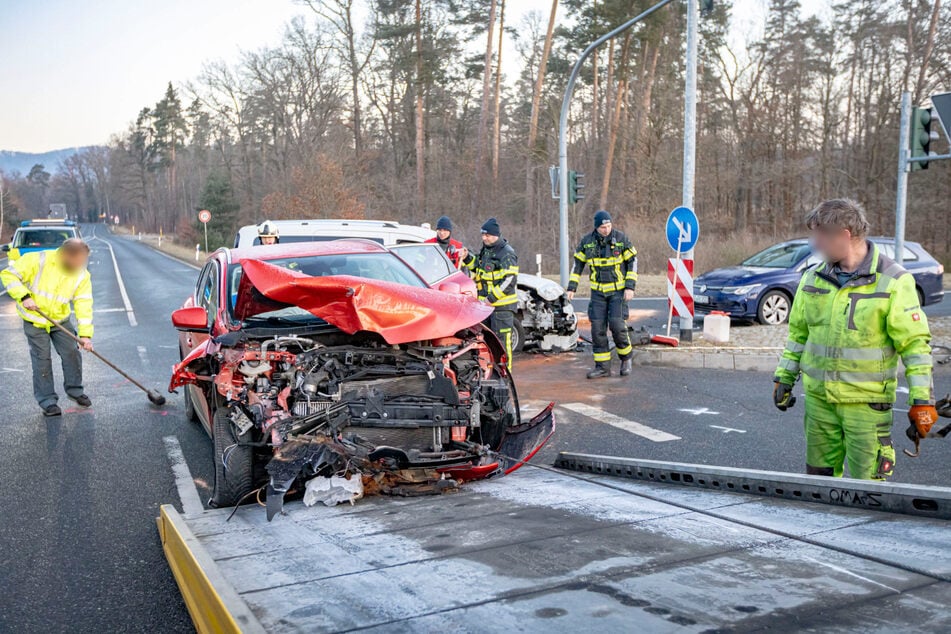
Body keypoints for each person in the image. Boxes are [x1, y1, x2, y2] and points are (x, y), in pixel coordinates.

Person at [773, 199, 937, 480]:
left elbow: (915, 346)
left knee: (868, 489)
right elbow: (799, 335)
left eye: (820, 236)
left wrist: (922, 400)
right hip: (819, 402)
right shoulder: (812, 279)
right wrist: (784, 377)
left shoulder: (894, 282)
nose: (814, 244)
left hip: (866, 406)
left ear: (844, 235)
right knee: (818, 483)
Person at [1, 238, 94, 417]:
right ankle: (48, 401)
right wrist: (24, 296)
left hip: (59, 319)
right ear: (65, 255)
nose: (80, 265)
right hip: (35, 319)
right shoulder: (38, 260)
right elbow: (8, 275)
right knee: (42, 359)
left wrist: (85, 336)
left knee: (72, 352)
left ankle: (75, 390)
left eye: (83, 261)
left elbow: (84, 304)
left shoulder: (82, 274)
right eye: (77, 261)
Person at [566, 210, 637, 379]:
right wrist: (571, 288)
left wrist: (630, 287)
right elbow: (577, 266)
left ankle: (626, 359)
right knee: (597, 330)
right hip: (598, 293)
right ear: (596, 227)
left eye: (609, 226)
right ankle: (603, 367)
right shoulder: (587, 242)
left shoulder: (621, 239)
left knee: (617, 326)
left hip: (618, 292)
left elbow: (632, 262)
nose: (606, 230)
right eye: (603, 227)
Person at [463, 218, 518, 368]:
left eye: (487, 235)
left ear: (496, 235)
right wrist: (467, 257)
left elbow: (509, 280)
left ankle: (505, 375)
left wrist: (491, 298)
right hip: (486, 308)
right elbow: (477, 267)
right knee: (488, 344)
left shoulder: (507, 253)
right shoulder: (486, 250)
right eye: (483, 235)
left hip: (502, 308)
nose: (484, 238)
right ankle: (491, 374)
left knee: (502, 345)